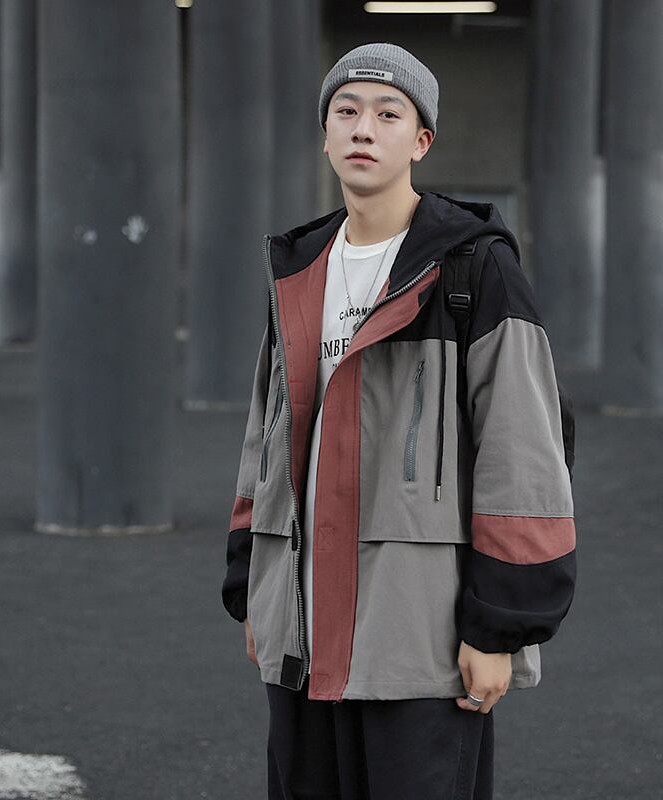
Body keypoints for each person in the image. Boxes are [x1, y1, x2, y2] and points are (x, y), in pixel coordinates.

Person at [221, 42, 577, 800]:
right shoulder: (299, 271)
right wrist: (256, 586)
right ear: (324, 135)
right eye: (346, 111)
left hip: (418, 630)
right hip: (303, 627)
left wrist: (498, 627)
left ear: (421, 141)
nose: (363, 128)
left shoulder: (474, 267)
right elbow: (265, 437)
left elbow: (524, 452)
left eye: (388, 114)